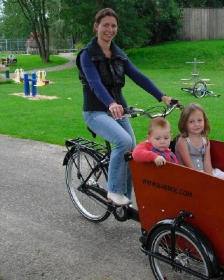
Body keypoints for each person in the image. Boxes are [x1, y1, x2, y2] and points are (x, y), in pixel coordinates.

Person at [76, 8, 174, 206]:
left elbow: (138, 76)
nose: (109, 29)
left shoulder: (118, 55)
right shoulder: (87, 55)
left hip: (119, 110)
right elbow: (95, 83)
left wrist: (162, 96)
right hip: (96, 111)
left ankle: (126, 199)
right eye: (105, 25)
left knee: (132, 151)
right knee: (123, 141)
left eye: (113, 26)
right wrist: (110, 103)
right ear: (96, 27)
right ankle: (113, 191)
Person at [175, 103, 224, 183]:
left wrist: (210, 178)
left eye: (199, 120)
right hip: (190, 174)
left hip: (205, 171)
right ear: (184, 123)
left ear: (204, 120)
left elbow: (207, 162)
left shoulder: (205, 141)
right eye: (191, 121)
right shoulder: (183, 141)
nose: (196, 124)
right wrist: (203, 179)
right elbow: (188, 165)